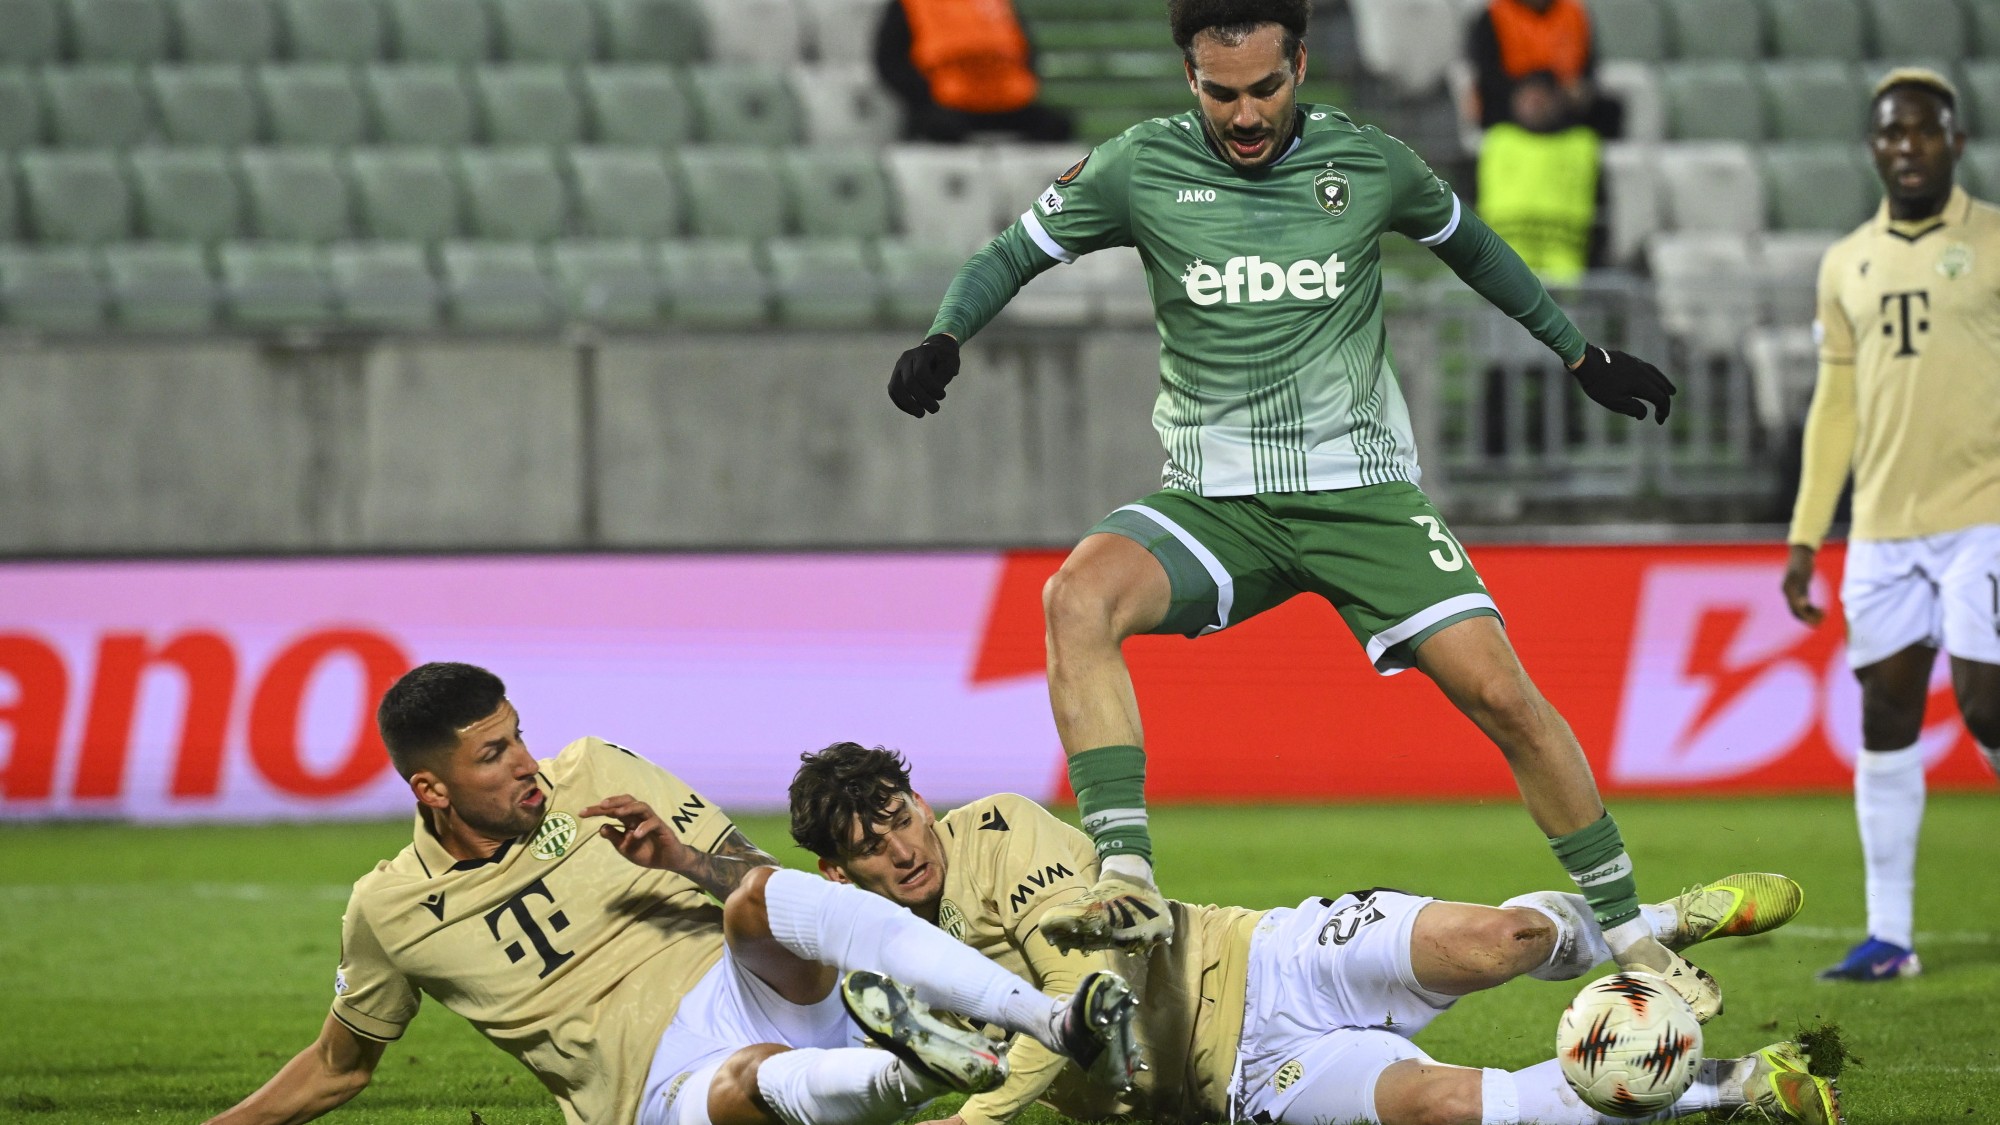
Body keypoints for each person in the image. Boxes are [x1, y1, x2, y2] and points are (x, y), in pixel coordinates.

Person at [882, 0, 1697, 1020]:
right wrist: (946, 335)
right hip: (1215, 503)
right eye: (1221, 93)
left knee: (1503, 699)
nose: (1245, 113)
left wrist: (1580, 355)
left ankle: (1632, 934)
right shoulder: (1139, 167)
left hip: (1360, 498)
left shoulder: (1372, 164)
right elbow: (1011, 253)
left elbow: (1473, 248)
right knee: (1073, 599)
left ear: (1299, 64)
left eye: (1265, 87)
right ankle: (1126, 880)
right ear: (1189, 78)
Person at [201, 662, 1140, 1125]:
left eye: (519, 734)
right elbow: (341, 1064)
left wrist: (685, 863)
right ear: (431, 789)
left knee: (755, 900)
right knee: (742, 1080)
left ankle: (1051, 1021)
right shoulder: (390, 909)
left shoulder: (597, 769)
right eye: (494, 754)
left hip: (750, 982)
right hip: (650, 1088)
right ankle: (920, 1068)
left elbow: (764, 878)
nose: (526, 763)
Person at [785, 743, 1843, 1125]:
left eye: (899, 811)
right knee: (1441, 1105)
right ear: (838, 872)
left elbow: (1075, 998)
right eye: (869, 843)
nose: (902, 844)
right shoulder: (868, 961)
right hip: (1239, 1082)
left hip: (1260, 953)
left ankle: (1654, 923)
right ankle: (1732, 1087)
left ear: (918, 800)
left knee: (1494, 942)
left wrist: (979, 1119)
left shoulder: (1002, 828)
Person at [1782, 67, 2000, 983]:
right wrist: (1804, 534)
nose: (1906, 145)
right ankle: (1890, 935)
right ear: (1873, 146)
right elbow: (1836, 404)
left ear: (1956, 139)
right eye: (1891, 132)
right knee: (1886, 710)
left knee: (1988, 703)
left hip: (1984, 511)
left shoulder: (1993, 242)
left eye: (1924, 130)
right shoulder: (1846, 262)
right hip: (1880, 528)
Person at [875, 0, 1074, 143]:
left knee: (1056, 126)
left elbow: (1024, 51)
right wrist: (925, 97)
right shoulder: (912, 5)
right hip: (949, 107)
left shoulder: (997, 4)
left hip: (1009, 106)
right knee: (940, 131)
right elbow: (890, 61)